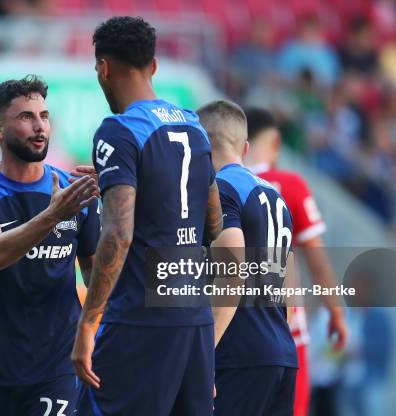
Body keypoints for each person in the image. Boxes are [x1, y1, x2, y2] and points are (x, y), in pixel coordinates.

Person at [72, 17, 223, 415]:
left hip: (139, 322)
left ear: (103, 67)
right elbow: (214, 223)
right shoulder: (195, 127)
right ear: (153, 66)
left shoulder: (118, 131)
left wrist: (88, 323)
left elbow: (119, 234)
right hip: (194, 319)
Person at [0, 75, 100, 415]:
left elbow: (95, 273)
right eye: (26, 117)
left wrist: (123, 203)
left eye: (44, 116)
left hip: (57, 362)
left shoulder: (78, 190)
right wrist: (53, 214)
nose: (39, 127)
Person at [243, 106, 349, 416]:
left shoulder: (218, 186)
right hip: (286, 331)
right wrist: (335, 312)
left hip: (233, 331)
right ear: (275, 142)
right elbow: (316, 260)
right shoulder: (289, 185)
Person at [197, 100, 298, 416]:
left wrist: (203, 354)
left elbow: (231, 271)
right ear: (244, 147)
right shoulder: (275, 196)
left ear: (201, 144)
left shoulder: (221, 190)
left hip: (239, 355)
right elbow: (291, 286)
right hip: (281, 353)